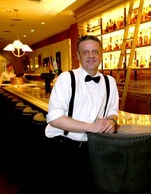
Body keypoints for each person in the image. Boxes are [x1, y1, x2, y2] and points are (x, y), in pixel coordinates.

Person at [21, 35, 119, 194]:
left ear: (101, 55)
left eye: (95, 51)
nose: (91, 56)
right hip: (63, 148)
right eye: (85, 52)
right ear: (78, 56)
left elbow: (113, 111)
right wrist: (91, 127)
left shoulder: (110, 81)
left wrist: (112, 122)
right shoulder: (66, 78)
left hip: (94, 148)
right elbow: (54, 118)